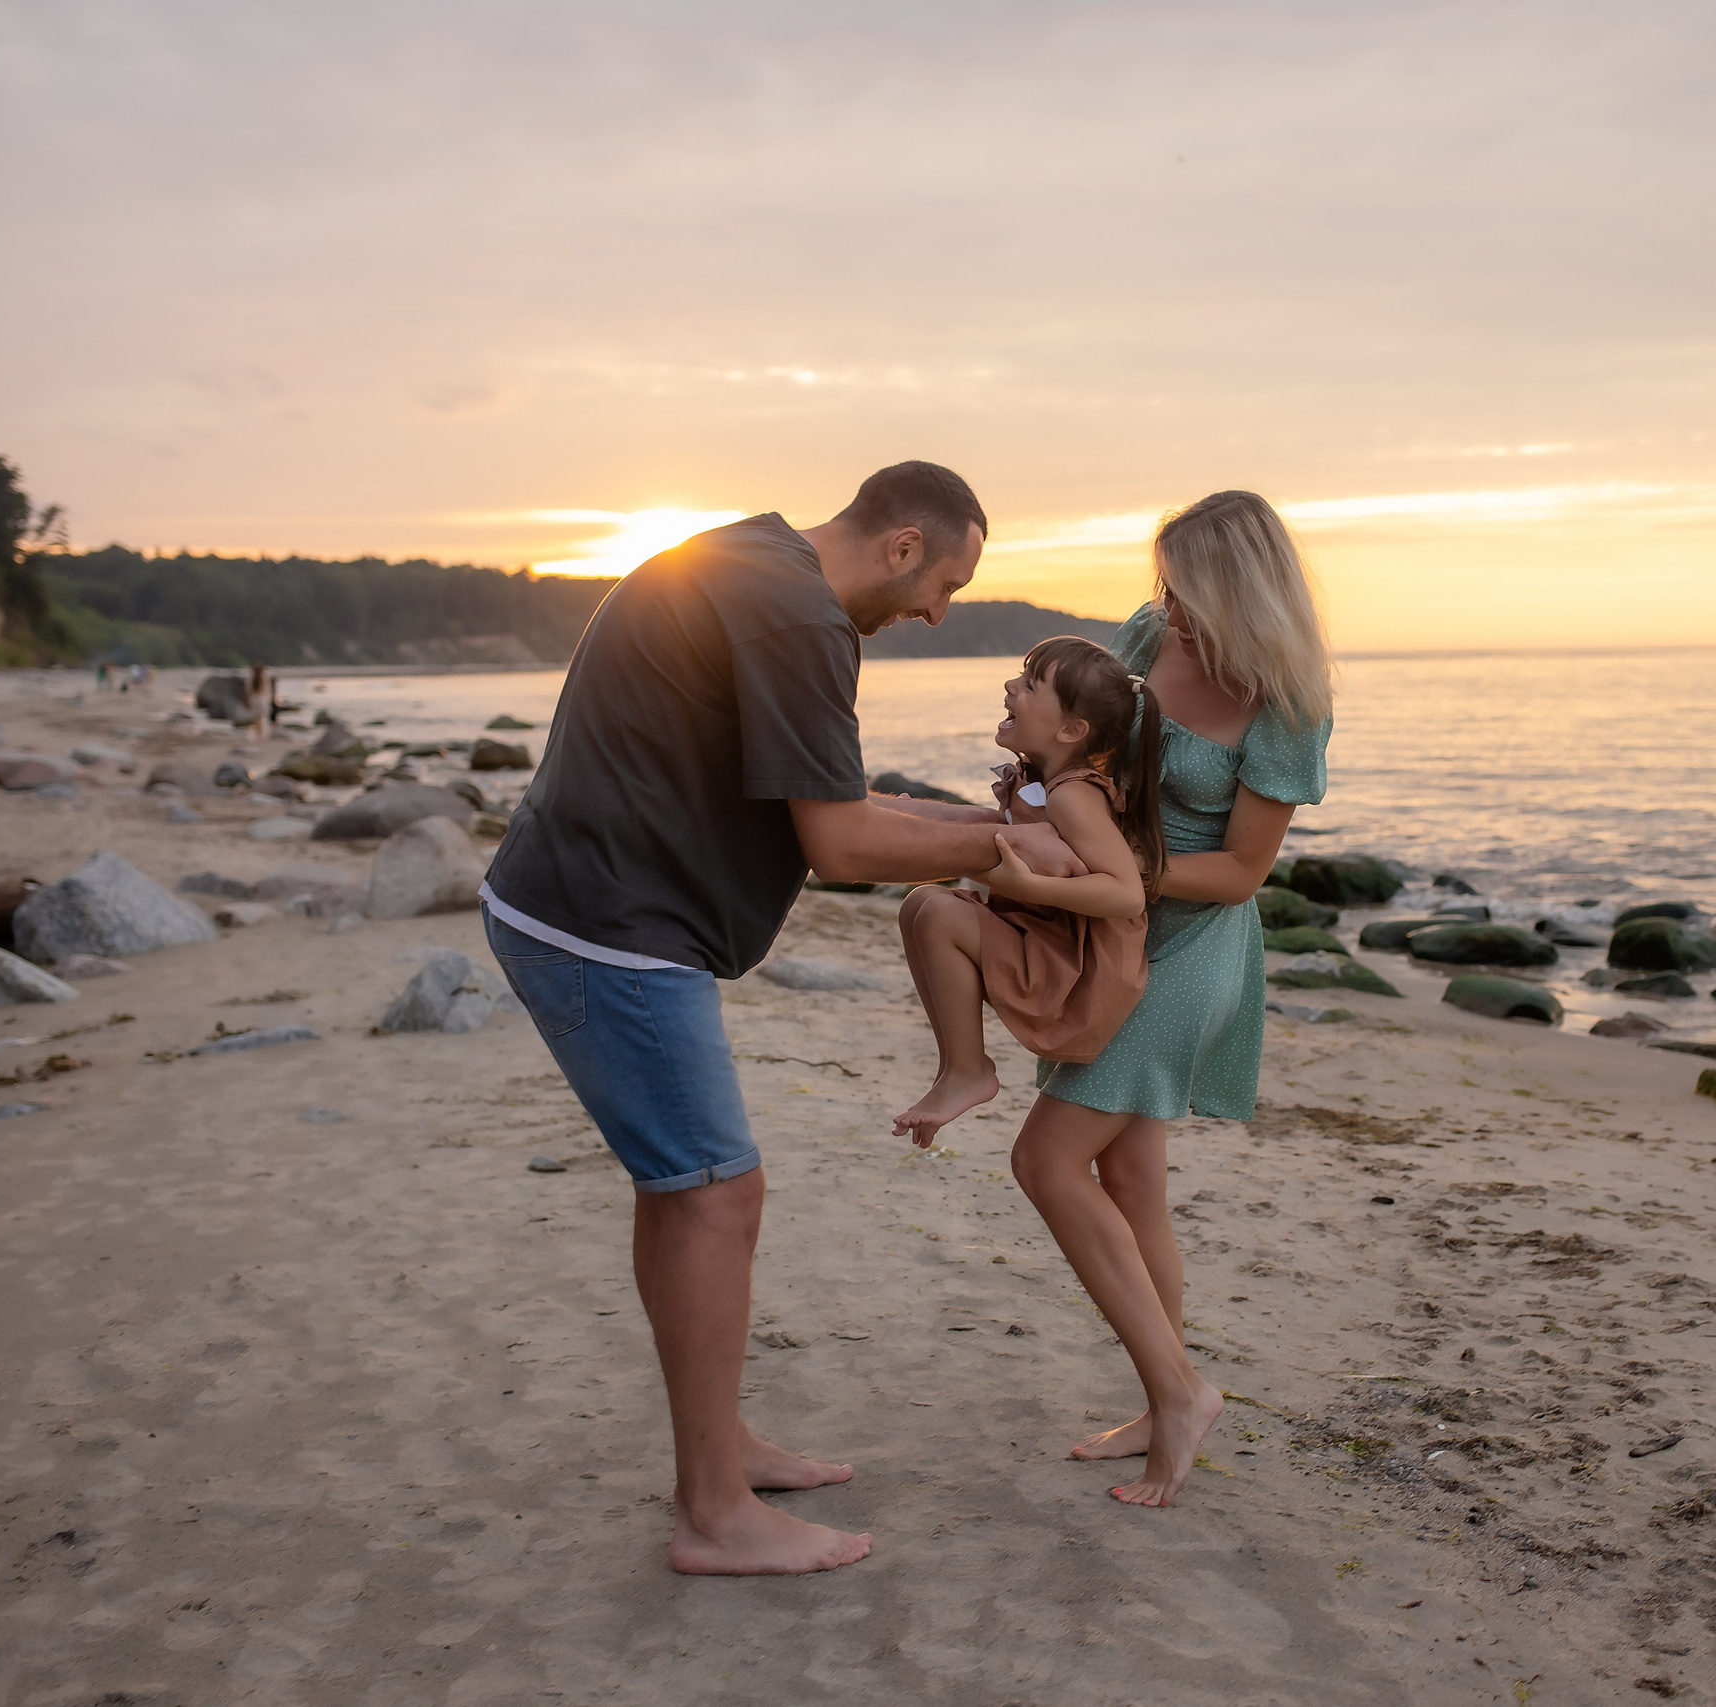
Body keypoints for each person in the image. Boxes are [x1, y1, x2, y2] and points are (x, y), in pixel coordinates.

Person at [476, 462, 1083, 1577]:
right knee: (717, 1193)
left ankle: (718, 1449)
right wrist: (1019, 855)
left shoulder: (749, 559)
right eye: (941, 584)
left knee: (686, 1188)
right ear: (900, 545)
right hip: (608, 929)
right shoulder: (801, 618)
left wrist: (969, 826)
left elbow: (840, 801)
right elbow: (843, 847)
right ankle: (713, 1513)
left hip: (576, 904)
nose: (936, 614)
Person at [1006, 491, 1333, 1508]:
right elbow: (1081, 745)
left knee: (1045, 1159)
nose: (1165, 605)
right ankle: (1164, 1398)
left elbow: (1240, 873)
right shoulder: (1150, 639)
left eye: (1185, 587)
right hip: (1117, 926)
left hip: (1190, 946)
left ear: (1238, 590)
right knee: (1134, 1182)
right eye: (1162, 582)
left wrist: (1107, 870)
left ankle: (1180, 1392)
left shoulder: (1287, 705)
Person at [886, 636, 1165, 1145]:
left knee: (937, 912)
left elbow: (1126, 894)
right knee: (921, 904)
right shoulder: (1040, 782)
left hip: (1081, 969)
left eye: (1030, 685)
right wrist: (891, 811)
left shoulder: (1072, 795)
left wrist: (1026, 884)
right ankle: (958, 1066)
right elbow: (986, 826)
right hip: (1047, 941)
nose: (1011, 686)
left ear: (1070, 730)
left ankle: (969, 1071)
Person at [245, 664, 274, 742]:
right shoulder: (264, 677)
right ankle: (262, 733)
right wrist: (269, 700)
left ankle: (257, 733)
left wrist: (248, 700)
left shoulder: (251, 678)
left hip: (254, 699)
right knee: (262, 717)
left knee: (256, 718)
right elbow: (268, 690)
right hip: (263, 699)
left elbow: (248, 690)